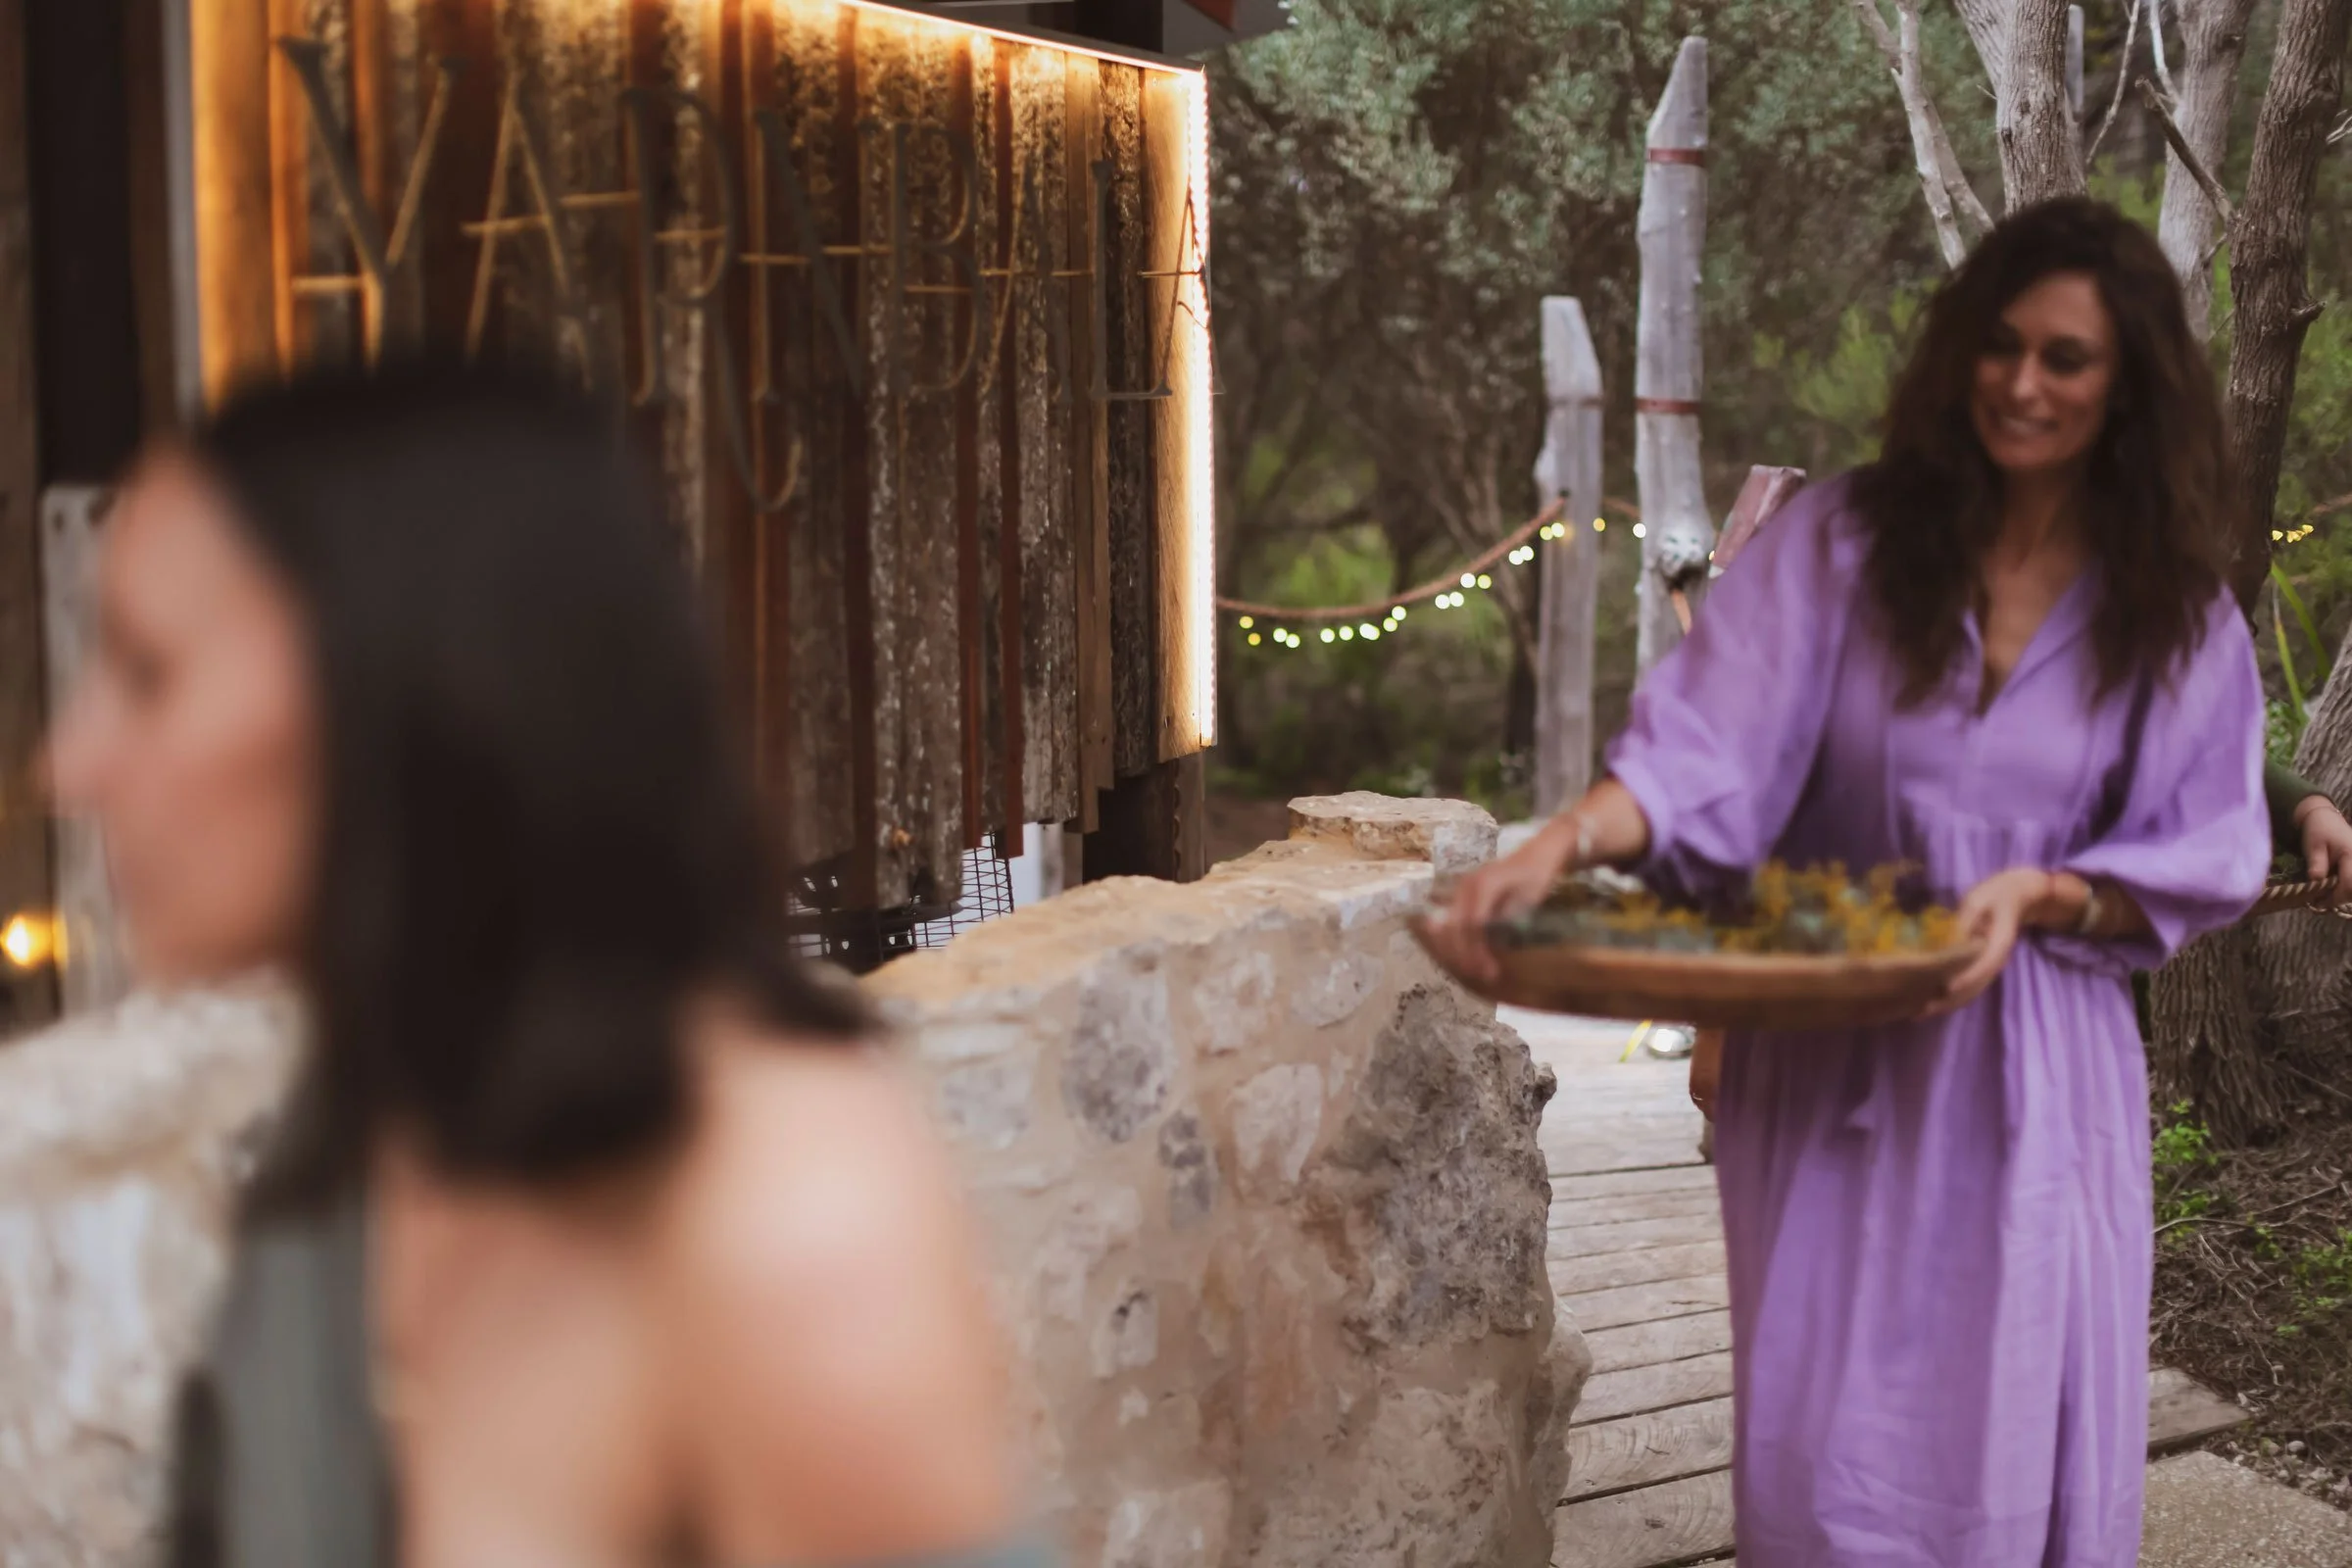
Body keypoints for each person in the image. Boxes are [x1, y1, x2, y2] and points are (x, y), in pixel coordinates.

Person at [48, 363, 1049, 1568]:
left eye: (149, 672)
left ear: (402, 684)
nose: (72, 761)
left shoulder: (787, 1239)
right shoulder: (371, 1135)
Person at [1425, 197, 2271, 1565]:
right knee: (1830, 1449)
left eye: (2069, 358)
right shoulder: (1845, 545)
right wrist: (1562, 840)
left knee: (2013, 1426)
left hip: (2037, 1080)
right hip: (1825, 1062)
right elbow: (1710, 734)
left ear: (2130, 386)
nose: (2024, 382)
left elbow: (2207, 845)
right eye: (2001, 344)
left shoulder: (2171, 607)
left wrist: (2045, 896)